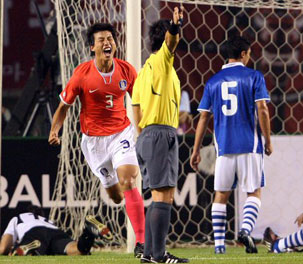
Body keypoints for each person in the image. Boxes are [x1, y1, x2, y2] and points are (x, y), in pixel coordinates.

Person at [48, 23, 145, 257]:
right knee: (115, 196)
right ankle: (96, 224)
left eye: (110, 38)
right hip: (94, 143)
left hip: (121, 134)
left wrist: (141, 130)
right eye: (101, 39)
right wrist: (54, 130)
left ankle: (142, 243)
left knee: (129, 179)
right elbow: (64, 107)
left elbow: (138, 102)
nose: (107, 42)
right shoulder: (82, 74)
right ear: (93, 47)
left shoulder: (127, 70)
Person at [190, 35, 272, 254]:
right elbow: (262, 109)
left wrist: (196, 149)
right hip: (249, 145)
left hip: (224, 147)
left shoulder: (213, 81)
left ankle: (218, 247)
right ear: (244, 54)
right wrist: (268, 140)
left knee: (221, 194)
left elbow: (204, 118)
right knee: (253, 192)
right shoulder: (254, 76)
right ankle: (245, 230)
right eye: (249, 54)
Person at [131, 6, 188, 264]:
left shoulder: (143, 72)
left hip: (146, 136)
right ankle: (159, 255)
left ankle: (149, 254)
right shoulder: (163, 60)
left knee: (158, 195)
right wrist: (175, 26)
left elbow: (136, 109)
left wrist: (145, 138)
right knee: (163, 195)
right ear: (164, 38)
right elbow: (173, 40)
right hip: (160, 133)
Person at [0, 206, 111, 256]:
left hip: (33, 232)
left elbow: (3, 247)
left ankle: (29, 250)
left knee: (14, 254)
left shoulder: (18, 218)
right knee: (77, 250)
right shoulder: (48, 221)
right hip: (54, 231)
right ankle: (88, 231)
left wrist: (8, 249)